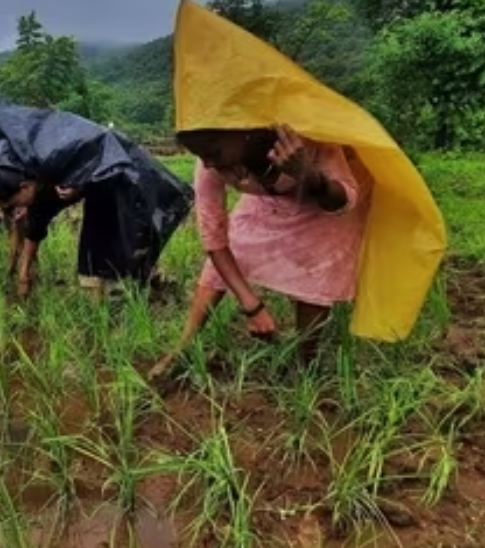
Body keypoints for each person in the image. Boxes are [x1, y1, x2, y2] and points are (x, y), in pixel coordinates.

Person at [149, 124, 370, 380]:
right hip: (267, 200)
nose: (208, 163)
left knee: (315, 266)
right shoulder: (209, 164)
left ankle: (305, 363)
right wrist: (251, 306)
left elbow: (342, 201)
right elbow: (214, 239)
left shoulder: (303, 141)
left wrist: (308, 175)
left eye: (213, 152)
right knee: (229, 254)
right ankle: (181, 349)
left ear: (243, 133)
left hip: (324, 201)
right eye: (200, 155)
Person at [0, 164, 87, 297]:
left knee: (28, 232)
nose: (5, 205)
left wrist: (26, 206)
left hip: (24, 199)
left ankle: (28, 273)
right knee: (15, 239)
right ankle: (14, 271)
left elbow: (34, 224)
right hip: (19, 203)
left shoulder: (22, 182)